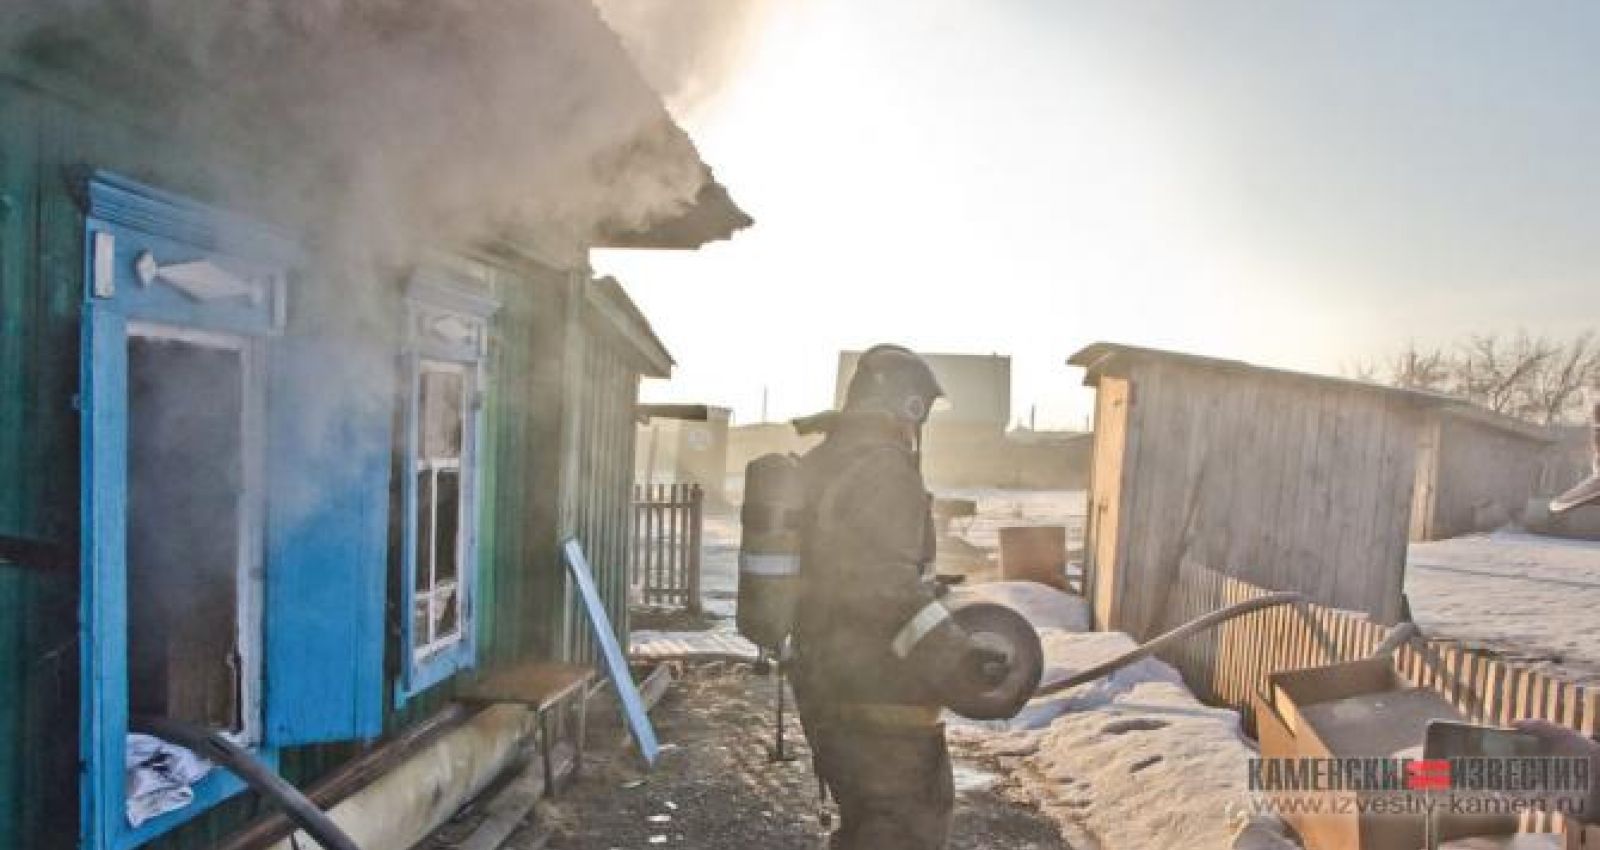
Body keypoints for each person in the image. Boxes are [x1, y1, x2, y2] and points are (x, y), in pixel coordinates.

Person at [789, 344, 1008, 850]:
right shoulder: (884, 471)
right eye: (922, 410)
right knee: (907, 828)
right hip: (878, 693)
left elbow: (849, 570)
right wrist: (959, 655)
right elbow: (885, 590)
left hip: (826, 677)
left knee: (867, 827)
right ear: (909, 404)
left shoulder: (826, 461)